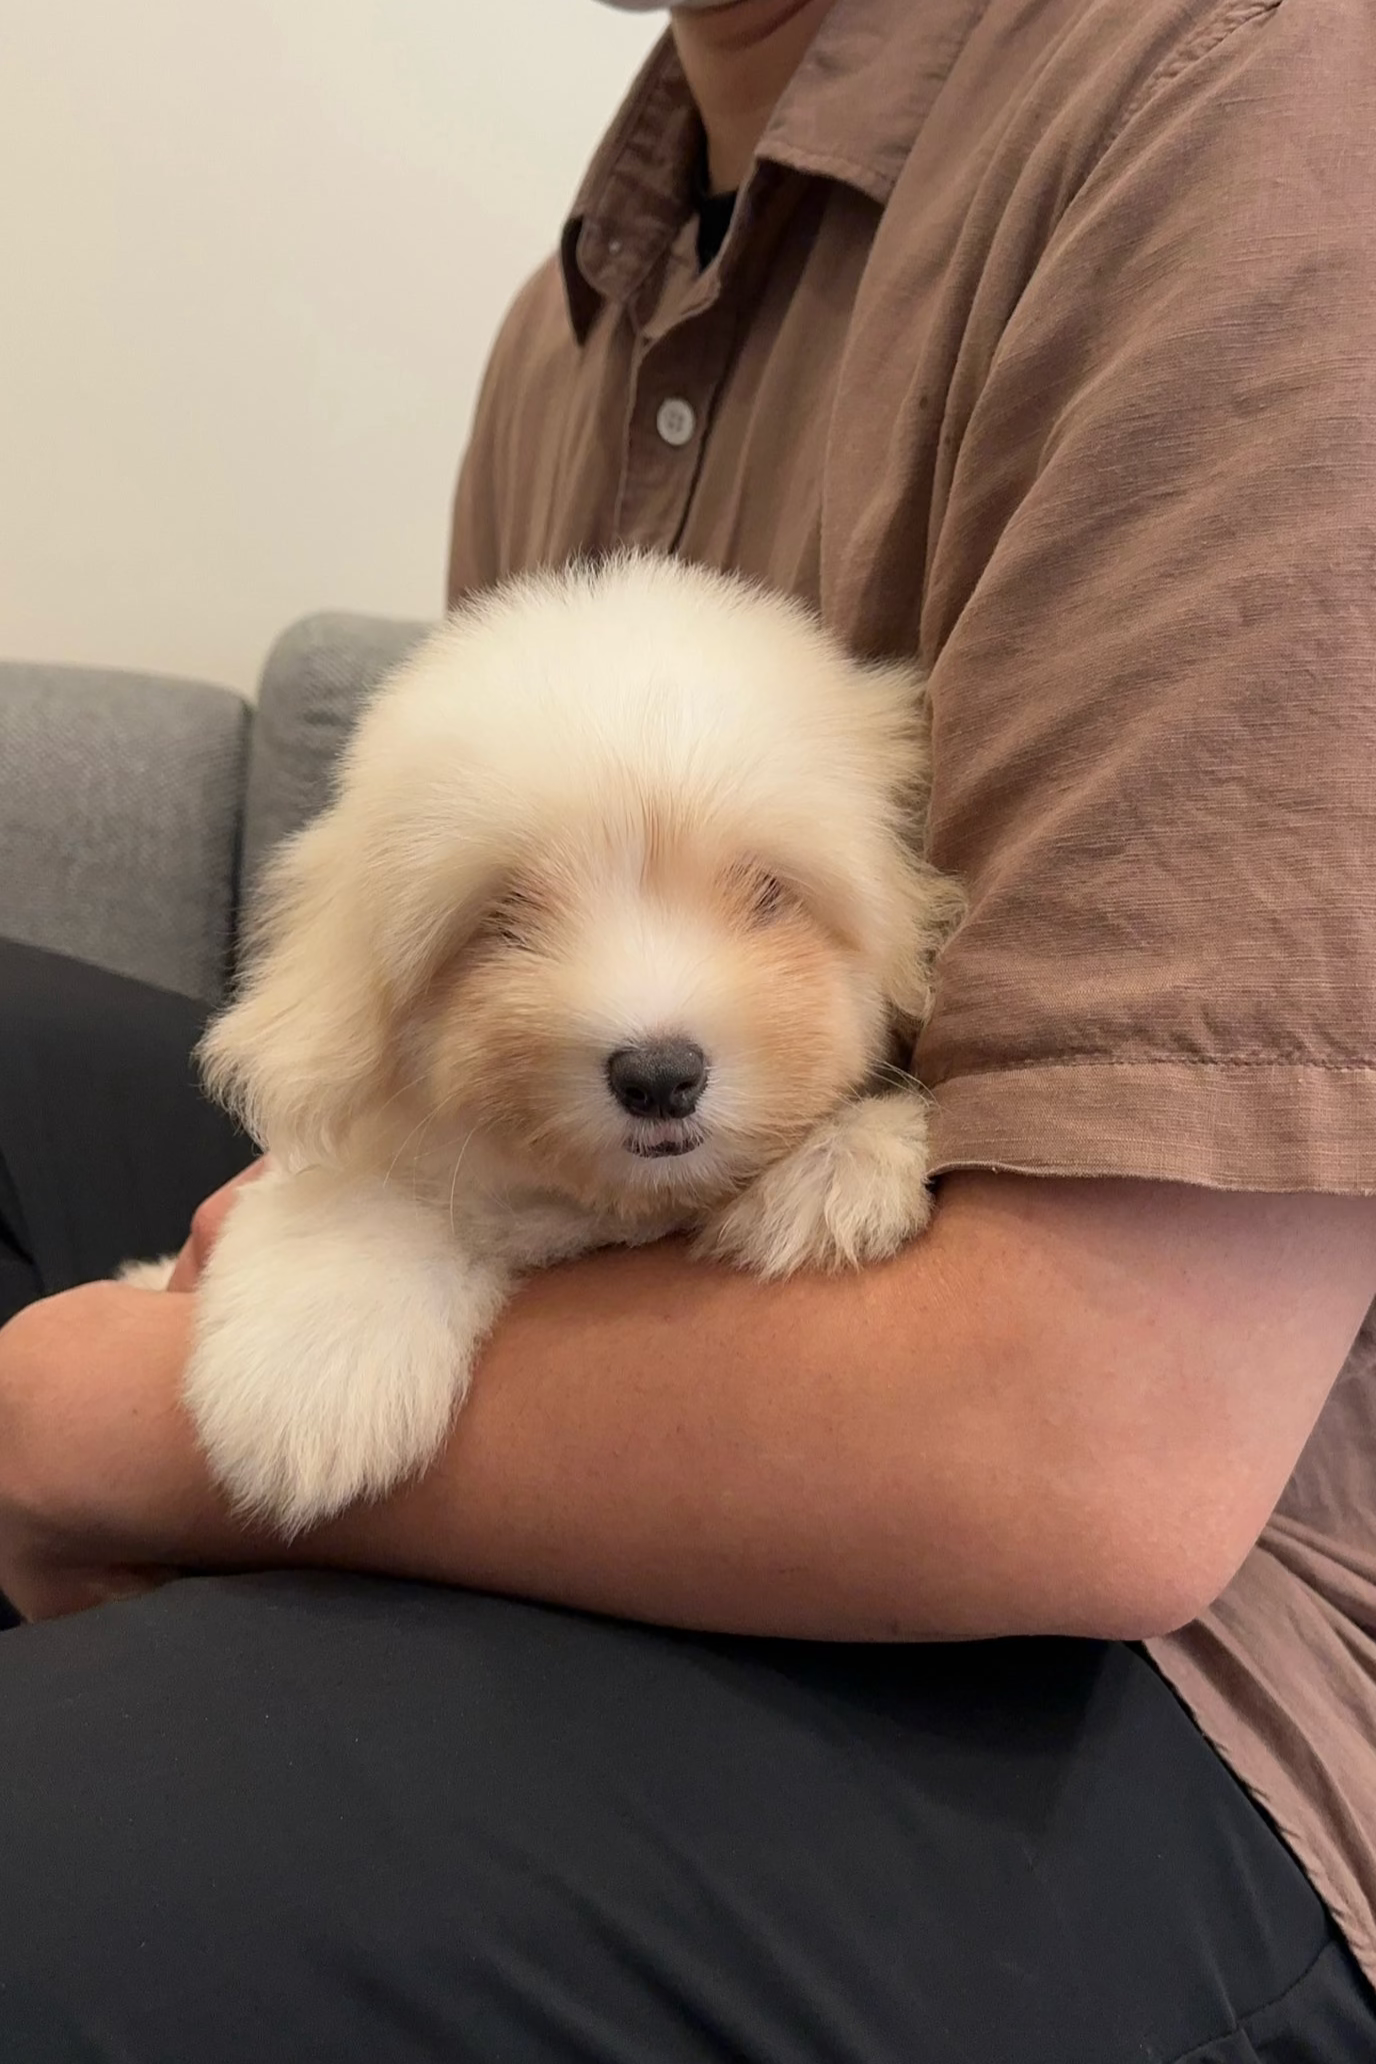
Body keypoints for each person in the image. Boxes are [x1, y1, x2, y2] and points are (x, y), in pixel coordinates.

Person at [1, 0, 1374, 2054]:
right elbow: (414, 1011)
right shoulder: (584, 301)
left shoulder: (1244, 94)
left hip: (1183, 1669)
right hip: (628, 1273)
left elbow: (1098, 1446)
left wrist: (111, 1420)